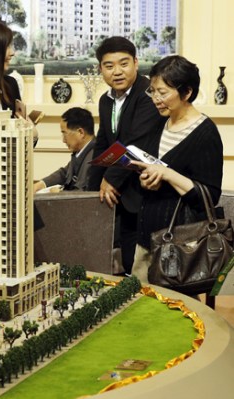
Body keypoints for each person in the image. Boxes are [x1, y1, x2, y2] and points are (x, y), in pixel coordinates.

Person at [130, 55, 223, 284]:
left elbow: (209, 196)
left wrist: (168, 174)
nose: (156, 99)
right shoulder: (159, 123)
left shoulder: (205, 133)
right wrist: (146, 180)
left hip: (179, 245)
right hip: (147, 236)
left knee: (174, 302)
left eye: (163, 93)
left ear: (187, 92)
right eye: (152, 91)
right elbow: (153, 172)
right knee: (138, 299)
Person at [87, 36, 166, 275]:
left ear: (136, 63)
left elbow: (136, 141)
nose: (117, 71)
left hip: (145, 192)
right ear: (100, 69)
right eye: (109, 66)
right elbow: (103, 143)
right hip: (119, 195)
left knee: (143, 266)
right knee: (123, 263)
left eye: (124, 64)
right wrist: (91, 192)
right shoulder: (106, 100)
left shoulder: (149, 95)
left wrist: (110, 179)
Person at [34, 107, 95, 193]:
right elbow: (64, 173)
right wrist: (41, 184)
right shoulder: (82, 152)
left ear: (80, 132)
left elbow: (82, 195)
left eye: (64, 133)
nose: (63, 140)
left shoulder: (94, 157)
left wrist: (58, 194)